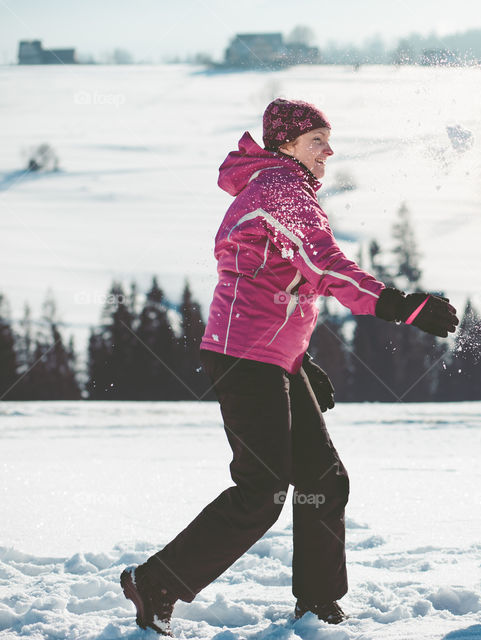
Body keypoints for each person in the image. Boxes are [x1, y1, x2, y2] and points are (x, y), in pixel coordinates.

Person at [119, 98, 458, 635]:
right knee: (263, 491)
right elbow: (324, 264)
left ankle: (319, 604)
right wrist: (402, 304)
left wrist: (300, 362)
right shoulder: (280, 188)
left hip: (269, 356)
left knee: (325, 479)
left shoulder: (281, 187)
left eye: (328, 139)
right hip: (244, 357)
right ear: (286, 145)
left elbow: (278, 281)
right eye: (317, 140)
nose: (329, 150)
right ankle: (157, 580)